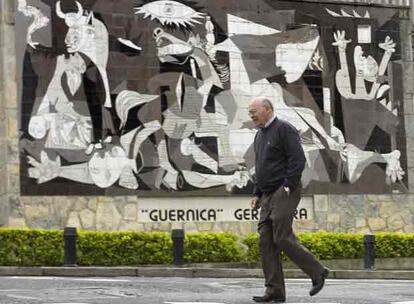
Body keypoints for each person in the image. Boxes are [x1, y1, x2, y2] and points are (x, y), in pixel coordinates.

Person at [248, 97, 329, 303]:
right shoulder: (259, 135)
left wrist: (287, 184)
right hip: (267, 194)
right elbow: (261, 167)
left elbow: (298, 159)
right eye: (250, 113)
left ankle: (317, 271)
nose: (251, 116)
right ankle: (274, 290)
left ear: (267, 109)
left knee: (281, 236)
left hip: (284, 190)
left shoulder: (284, 129)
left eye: (254, 112)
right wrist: (257, 193)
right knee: (266, 240)